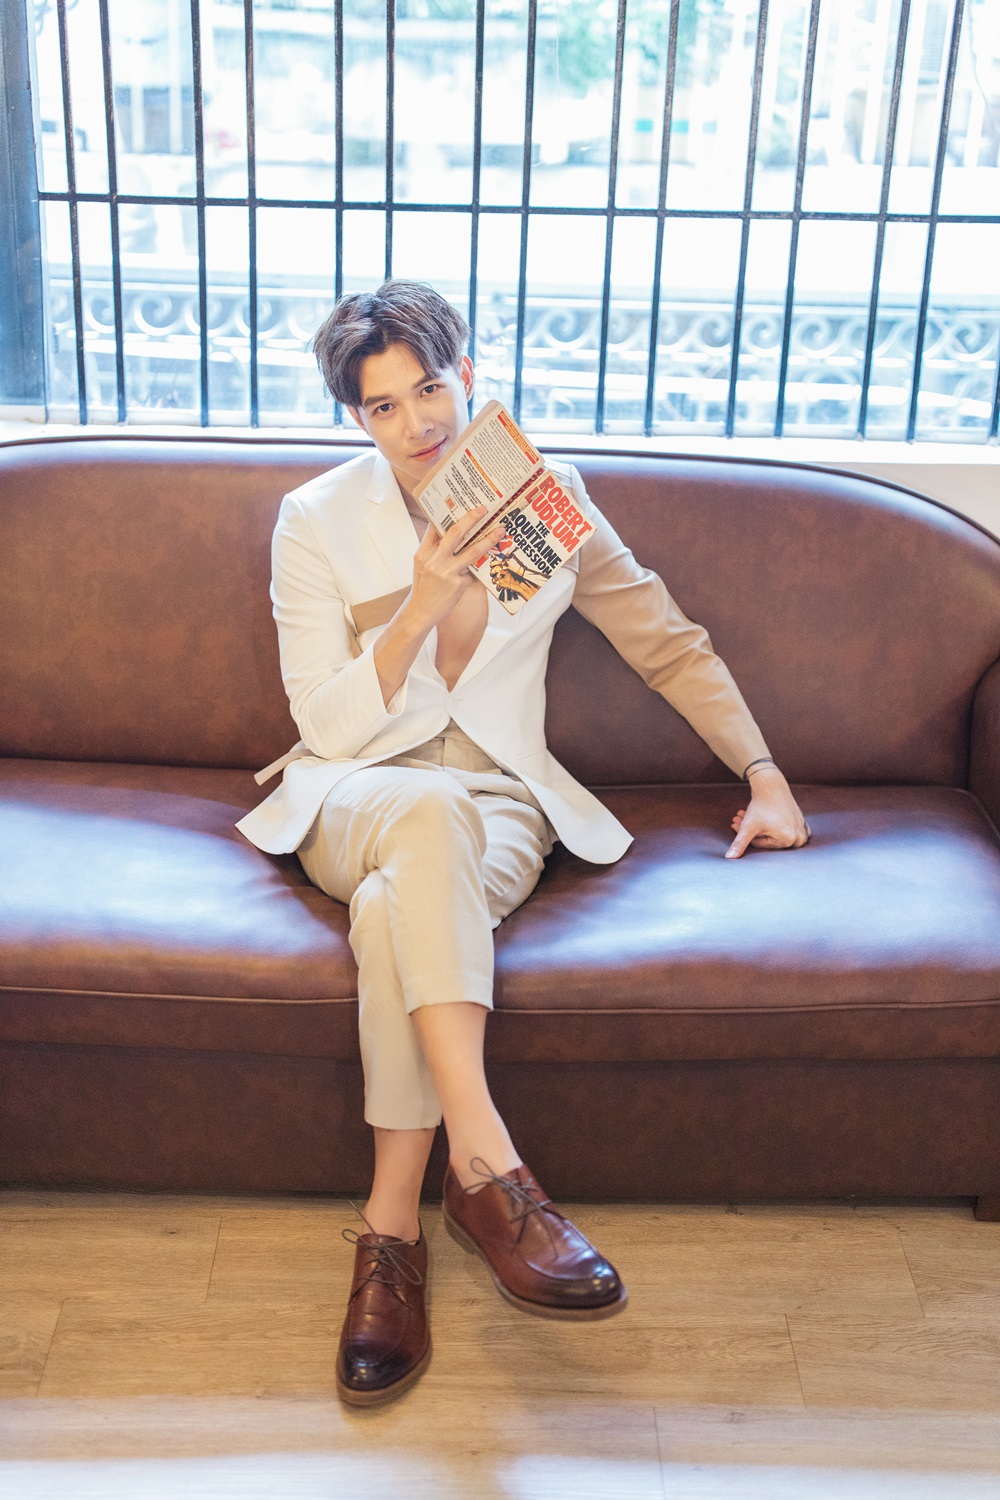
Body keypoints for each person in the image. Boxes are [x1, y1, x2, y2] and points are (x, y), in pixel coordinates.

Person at [236, 279, 810, 1407]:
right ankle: (490, 1166)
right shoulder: (315, 519)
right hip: (355, 791)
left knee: (403, 897)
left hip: (498, 800)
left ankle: (392, 1230)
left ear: (466, 374)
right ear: (356, 418)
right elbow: (326, 725)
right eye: (383, 407)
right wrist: (416, 605)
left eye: (430, 389)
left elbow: (663, 639)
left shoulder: (546, 501)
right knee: (418, 817)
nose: (417, 423)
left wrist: (763, 772)